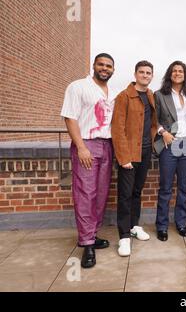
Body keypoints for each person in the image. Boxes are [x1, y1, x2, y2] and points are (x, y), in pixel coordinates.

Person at [61, 53, 115, 268]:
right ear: (94, 65)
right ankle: (87, 244)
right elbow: (70, 117)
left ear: (113, 69)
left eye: (109, 66)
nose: (105, 68)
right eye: (101, 64)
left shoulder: (112, 92)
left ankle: (92, 235)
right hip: (87, 144)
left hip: (107, 145)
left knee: (101, 195)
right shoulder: (78, 86)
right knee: (85, 194)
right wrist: (81, 147)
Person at [111, 60, 157, 256]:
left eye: (148, 73)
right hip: (129, 154)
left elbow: (153, 122)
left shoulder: (150, 95)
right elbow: (117, 129)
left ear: (151, 76)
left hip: (145, 151)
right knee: (125, 195)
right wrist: (123, 157)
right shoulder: (124, 96)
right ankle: (123, 237)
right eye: (142, 72)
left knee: (137, 192)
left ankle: (134, 226)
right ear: (135, 74)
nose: (145, 75)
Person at [154, 61, 186, 241]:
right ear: (170, 74)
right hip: (170, 144)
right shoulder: (160, 95)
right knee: (166, 188)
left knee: (184, 187)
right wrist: (163, 133)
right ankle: (162, 225)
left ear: (185, 75)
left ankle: (181, 223)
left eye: (181, 71)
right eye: (174, 70)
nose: (177, 73)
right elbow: (154, 120)